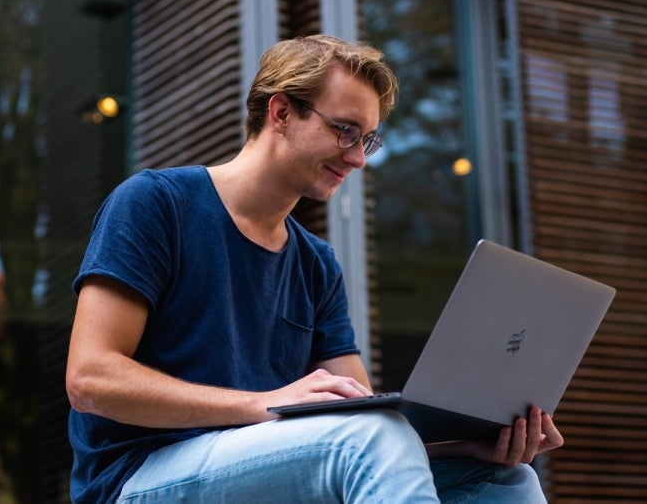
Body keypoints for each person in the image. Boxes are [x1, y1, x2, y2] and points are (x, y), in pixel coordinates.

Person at [66, 35, 564, 503]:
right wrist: (265, 403)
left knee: (505, 479)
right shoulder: (156, 204)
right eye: (345, 130)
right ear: (281, 112)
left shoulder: (315, 262)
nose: (357, 158)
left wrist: (463, 446)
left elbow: (364, 424)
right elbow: (90, 381)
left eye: (367, 140)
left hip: (265, 468)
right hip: (138, 476)